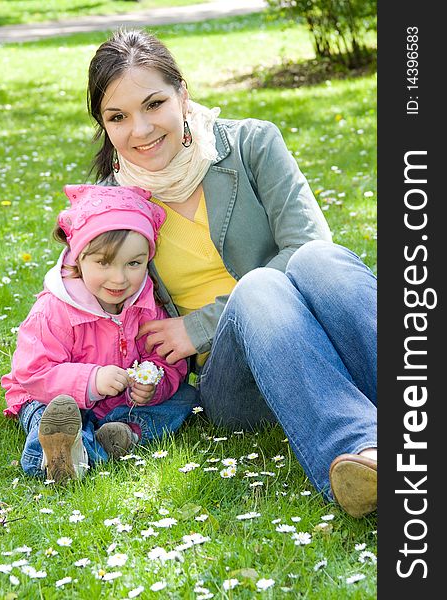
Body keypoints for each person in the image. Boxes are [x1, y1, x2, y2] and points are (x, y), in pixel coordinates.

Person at [86, 29, 377, 518]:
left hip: (320, 341)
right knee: (261, 286)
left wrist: (197, 322)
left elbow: (308, 242)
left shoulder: (251, 144)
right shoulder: (111, 209)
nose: (140, 130)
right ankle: (367, 453)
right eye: (118, 117)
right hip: (235, 382)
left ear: (183, 93)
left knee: (317, 259)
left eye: (154, 103)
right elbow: (82, 309)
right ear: (105, 125)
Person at [1, 184, 198, 483]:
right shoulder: (55, 309)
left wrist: (152, 383)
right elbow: (34, 373)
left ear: (148, 258)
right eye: (103, 262)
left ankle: (113, 437)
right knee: (48, 415)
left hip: (118, 405)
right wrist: (91, 381)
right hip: (53, 398)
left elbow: (167, 361)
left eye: (134, 263)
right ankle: (61, 454)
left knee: (185, 397)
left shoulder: (146, 305)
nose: (119, 278)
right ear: (78, 257)